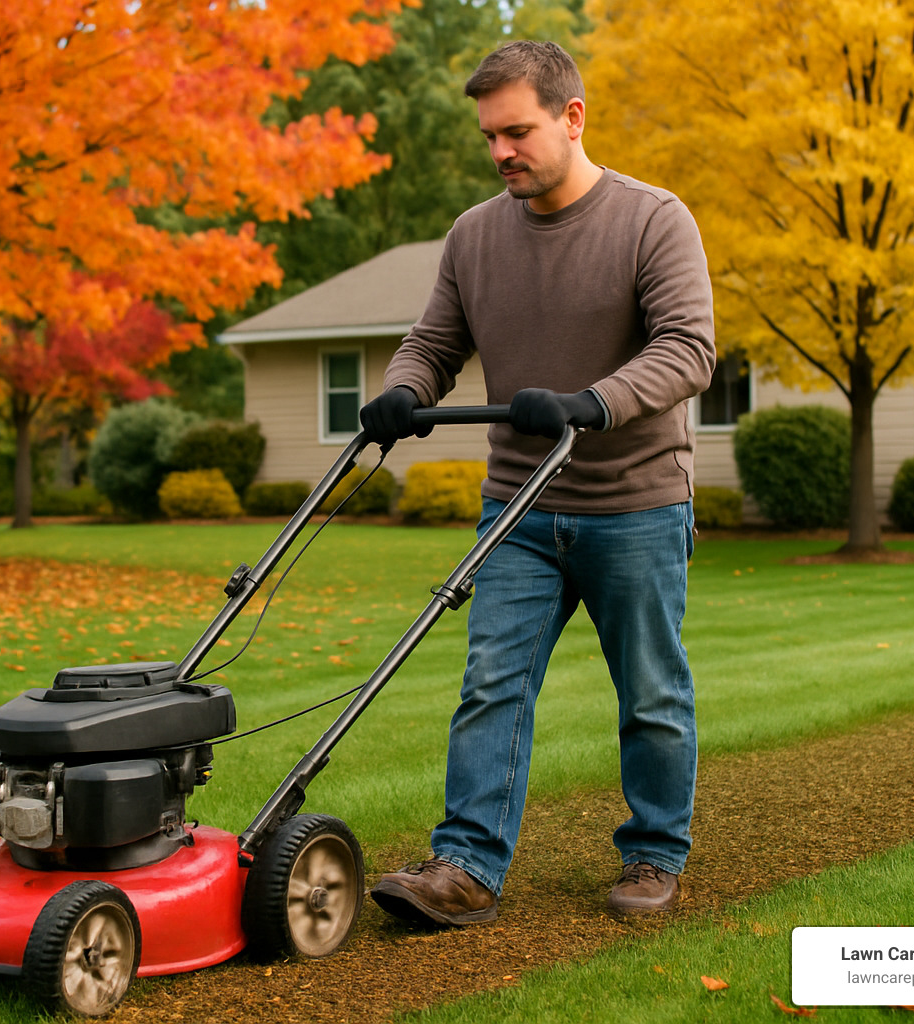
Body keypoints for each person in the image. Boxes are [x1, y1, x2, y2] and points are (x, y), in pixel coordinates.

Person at [360, 39, 714, 924]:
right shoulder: (475, 235)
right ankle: (466, 867)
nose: (501, 151)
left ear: (573, 117)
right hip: (518, 505)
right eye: (490, 136)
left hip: (635, 501)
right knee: (493, 684)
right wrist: (404, 391)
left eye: (516, 132)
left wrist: (592, 403)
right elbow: (434, 342)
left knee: (652, 692)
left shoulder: (652, 219)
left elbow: (688, 349)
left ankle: (653, 856)